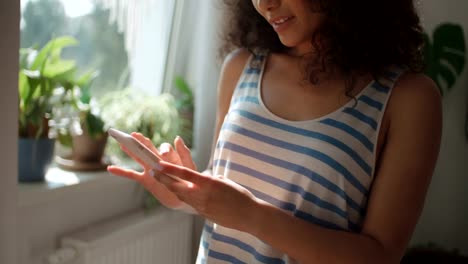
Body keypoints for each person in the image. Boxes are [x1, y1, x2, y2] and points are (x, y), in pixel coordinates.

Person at [107, 0, 443, 263]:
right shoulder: (241, 67)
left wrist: (253, 216)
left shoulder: (409, 99)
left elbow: (381, 256)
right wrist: (185, 194)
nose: (265, 3)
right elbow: (229, 195)